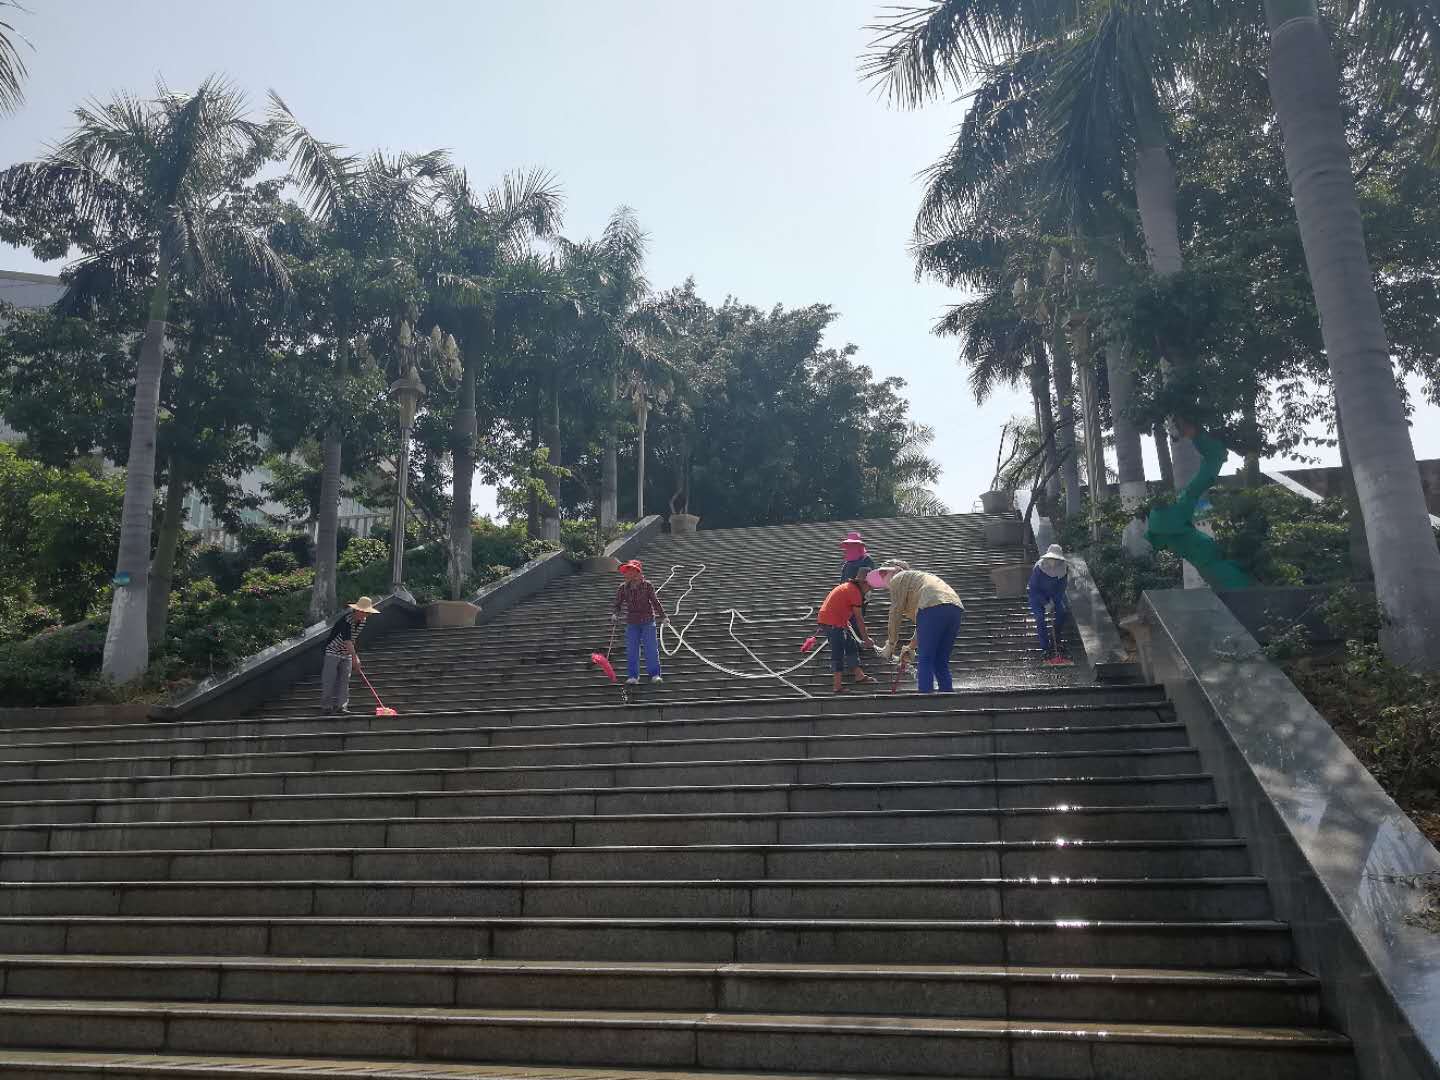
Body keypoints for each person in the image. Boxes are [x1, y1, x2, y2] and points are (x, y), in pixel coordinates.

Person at [1145, 417, 1255, 589]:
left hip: (1214, 568)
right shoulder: (1170, 517)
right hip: (1218, 569)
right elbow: (1198, 484)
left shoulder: (1163, 522)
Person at [871, 563, 965, 694]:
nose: (882, 577)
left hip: (932, 606)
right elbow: (923, 625)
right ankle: (947, 694)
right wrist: (910, 647)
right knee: (940, 660)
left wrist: (891, 645)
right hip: (955, 607)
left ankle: (925, 696)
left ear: (895, 570)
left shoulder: (898, 578)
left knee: (925, 658)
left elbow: (895, 613)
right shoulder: (917, 581)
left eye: (883, 573)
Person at [816, 572, 876, 693]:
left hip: (835, 620)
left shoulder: (848, 587)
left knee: (851, 645)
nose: (870, 590)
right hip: (833, 622)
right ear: (863, 583)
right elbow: (859, 619)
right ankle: (837, 686)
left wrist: (845, 621)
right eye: (870, 587)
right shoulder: (855, 592)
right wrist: (866, 639)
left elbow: (840, 605)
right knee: (838, 651)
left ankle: (859, 675)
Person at [319, 595, 380, 715]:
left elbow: (353, 638)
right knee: (329, 679)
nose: (365, 615)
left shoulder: (363, 621)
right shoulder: (346, 620)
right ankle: (326, 706)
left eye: (367, 613)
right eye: (363, 612)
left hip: (346, 653)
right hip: (333, 651)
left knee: (344, 680)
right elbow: (347, 640)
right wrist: (355, 657)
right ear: (357, 610)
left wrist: (352, 655)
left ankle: (341, 706)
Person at [613, 559, 667, 685]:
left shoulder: (647, 585)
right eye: (627, 571)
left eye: (630, 570)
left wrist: (663, 616)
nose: (627, 573)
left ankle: (655, 675)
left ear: (637, 572)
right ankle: (633, 676)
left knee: (651, 649)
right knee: (632, 650)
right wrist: (615, 614)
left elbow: (655, 602)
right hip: (632, 622)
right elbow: (617, 604)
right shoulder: (623, 588)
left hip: (647, 621)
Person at [1028, 544, 1073, 665]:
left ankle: (1056, 640)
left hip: (1054, 596)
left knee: (1062, 612)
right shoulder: (1039, 568)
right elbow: (1033, 588)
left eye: (1056, 559)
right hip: (1037, 597)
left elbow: (1061, 588)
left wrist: (1054, 600)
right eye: (1051, 558)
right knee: (1040, 618)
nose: (1053, 561)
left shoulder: (1064, 569)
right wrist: (1045, 603)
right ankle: (1045, 648)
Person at [837, 530, 876, 642]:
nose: (850, 548)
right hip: (846, 596)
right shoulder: (847, 563)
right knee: (848, 620)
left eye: (853, 545)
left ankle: (859, 641)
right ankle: (854, 641)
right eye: (848, 545)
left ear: (859, 546)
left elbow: (870, 578)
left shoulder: (866, 560)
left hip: (860, 595)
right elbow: (843, 580)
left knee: (857, 618)